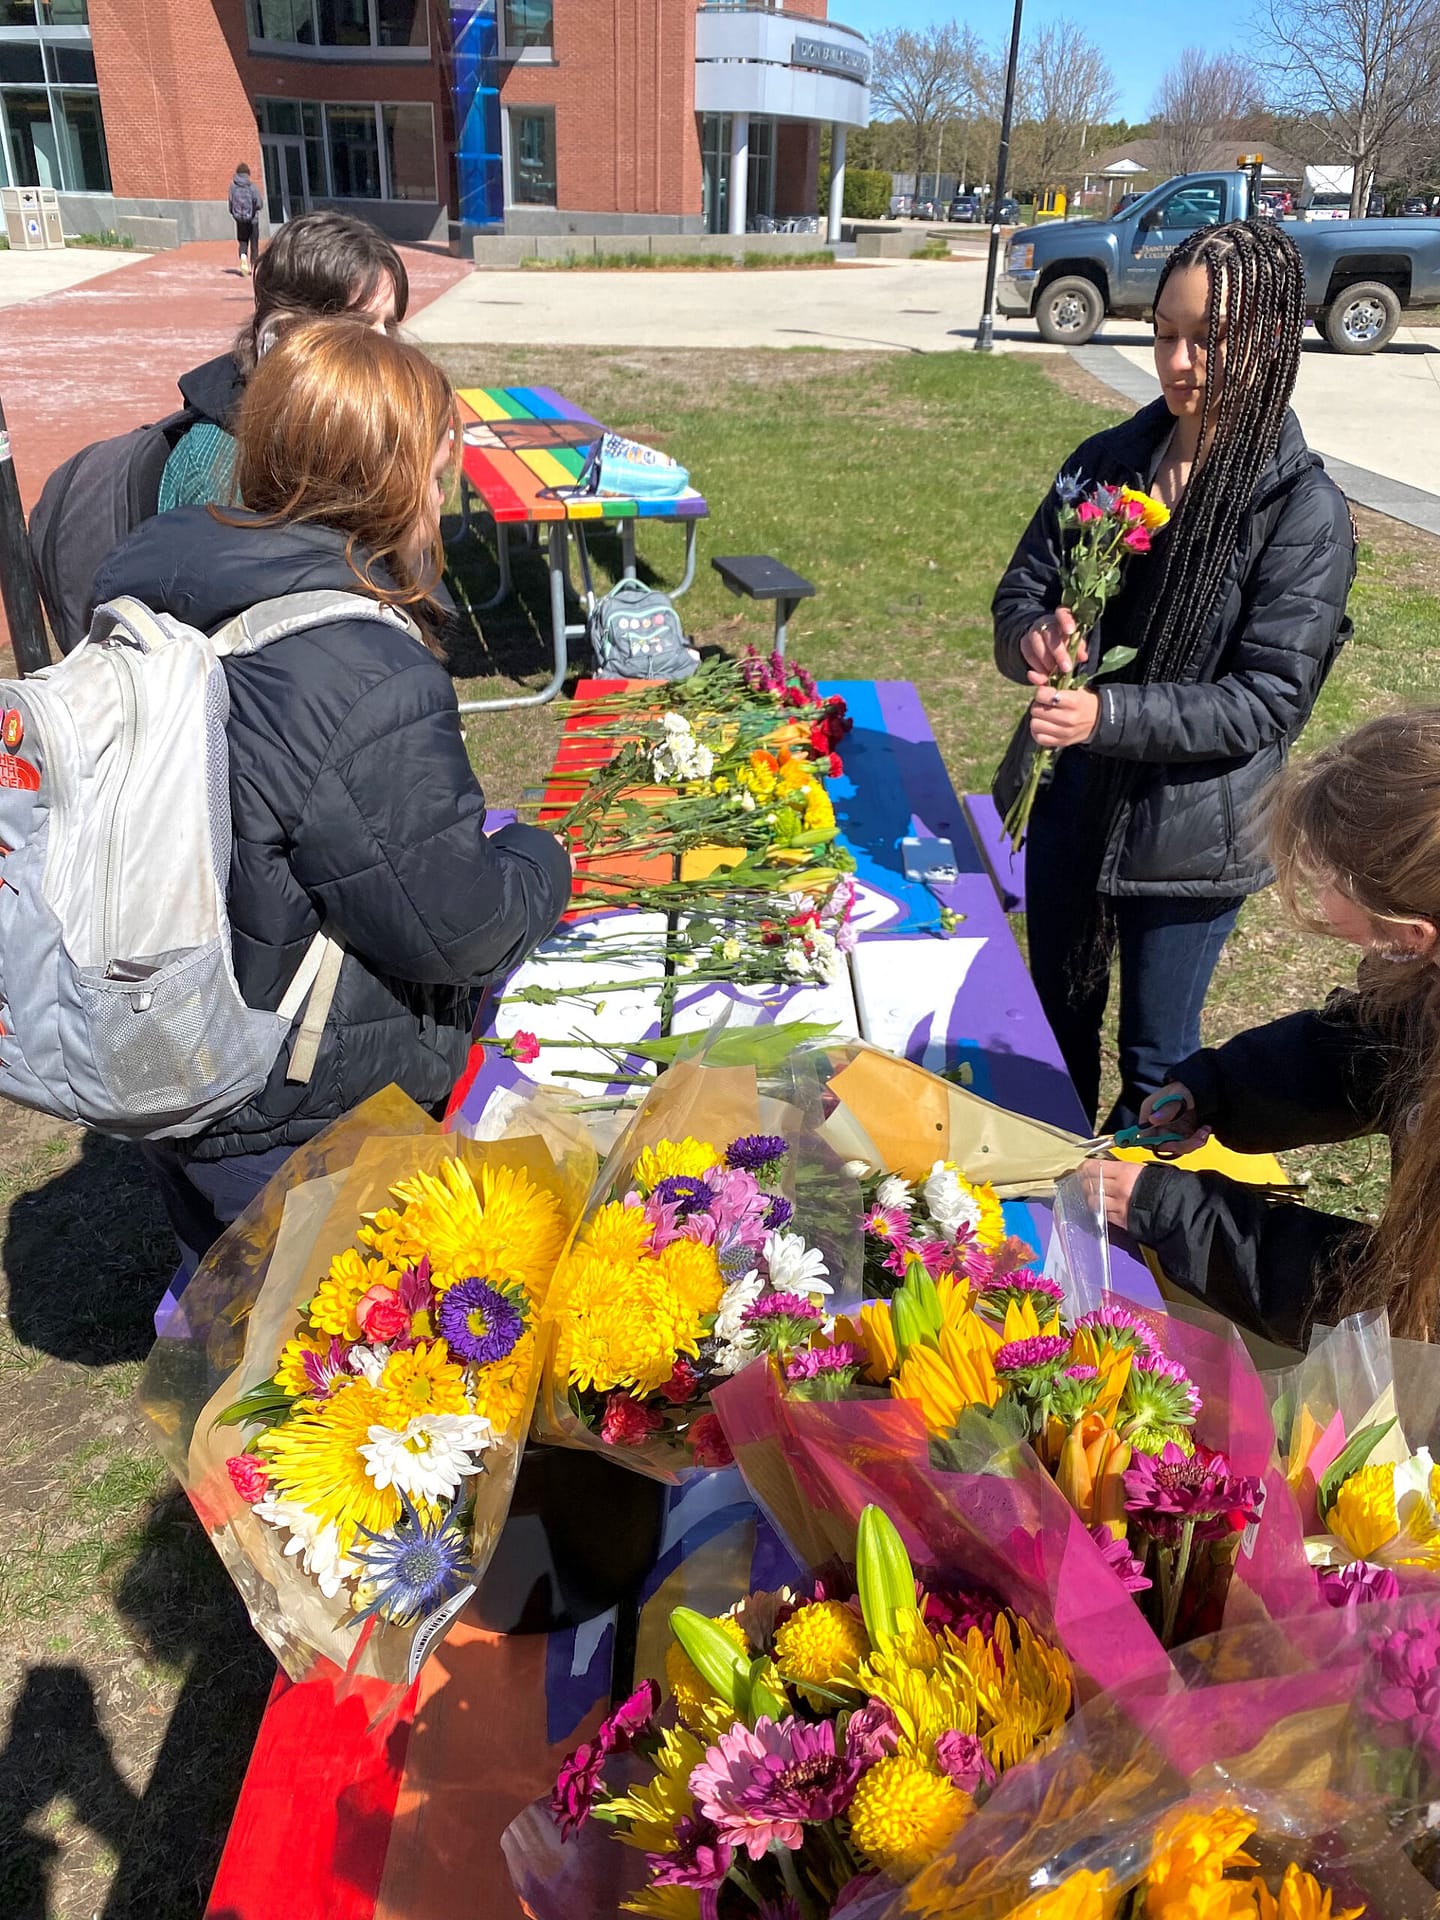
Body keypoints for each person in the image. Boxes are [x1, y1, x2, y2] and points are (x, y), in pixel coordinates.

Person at [89, 321, 571, 1275]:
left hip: (175, 1027)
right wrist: (542, 862)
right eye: (433, 477)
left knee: (222, 1307)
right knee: (319, 1363)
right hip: (299, 1099)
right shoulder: (360, 666)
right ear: (384, 478)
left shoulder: (158, 576)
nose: (439, 501)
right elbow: (455, 928)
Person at [992, 219, 1356, 1132]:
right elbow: (1020, 591)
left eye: (1210, 338)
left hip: (1193, 840)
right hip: (1077, 802)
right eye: (1164, 333)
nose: (1180, 361)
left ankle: (1133, 1244)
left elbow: (1265, 700)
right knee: (1054, 1021)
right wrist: (1035, 635)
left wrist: (1104, 716)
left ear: (1272, 339)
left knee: (1158, 1064)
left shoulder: (1303, 513)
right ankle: (1047, 1211)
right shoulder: (1109, 460)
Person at [1082, 711, 1440, 1349]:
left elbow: (1399, 1304)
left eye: (1332, 881)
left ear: (1412, 930)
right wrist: (1221, 1087)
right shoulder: (1424, 977)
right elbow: (1368, 1048)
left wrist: (1174, 1212)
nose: (1317, 893)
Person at [158, 208, 410, 514]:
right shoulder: (216, 466)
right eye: (357, 328)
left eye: (389, 326)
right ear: (284, 333)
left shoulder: (364, 424)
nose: (384, 346)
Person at [228, 162, 263, 276]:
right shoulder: (251, 186)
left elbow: (231, 203)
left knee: (243, 242)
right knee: (254, 244)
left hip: (240, 220)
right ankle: (254, 267)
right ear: (248, 173)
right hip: (253, 220)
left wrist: (235, 214)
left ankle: (243, 258)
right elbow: (259, 203)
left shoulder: (232, 186)